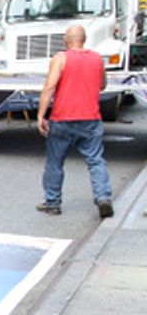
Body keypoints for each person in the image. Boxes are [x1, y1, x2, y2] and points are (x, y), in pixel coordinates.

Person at [36, 24, 114, 218]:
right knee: (95, 160)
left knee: (55, 162)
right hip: (90, 119)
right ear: (85, 39)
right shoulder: (97, 59)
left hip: (63, 118)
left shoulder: (60, 58)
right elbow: (103, 85)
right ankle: (103, 197)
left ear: (65, 40)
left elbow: (49, 87)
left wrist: (41, 115)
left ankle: (53, 203)